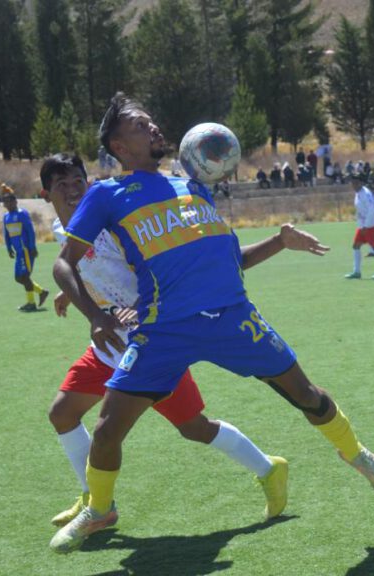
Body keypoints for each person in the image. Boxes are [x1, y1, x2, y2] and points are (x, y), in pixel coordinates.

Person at [50, 94, 374, 554]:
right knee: (109, 425)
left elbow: (230, 260)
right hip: (165, 327)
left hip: (234, 317)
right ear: (118, 144)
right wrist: (95, 316)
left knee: (307, 395)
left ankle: (355, 453)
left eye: (153, 122)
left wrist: (279, 240)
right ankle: (99, 509)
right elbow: (63, 264)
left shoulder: (193, 189)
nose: (154, 128)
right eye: (141, 126)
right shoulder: (107, 196)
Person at [39, 153, 288, 530]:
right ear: (46, 194)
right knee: (62, 413)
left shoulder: (108, 224)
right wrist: (75, 295)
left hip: (153, 345)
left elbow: (156, 268)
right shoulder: (69, 235)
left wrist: (139, 307)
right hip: (109, 347)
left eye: (78, 181)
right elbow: (80, 266)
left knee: (195, 428)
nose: (73, 190)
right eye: (63, 185)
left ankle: (268, 468)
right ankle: (95, 500)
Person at [2, 190, 49, 311]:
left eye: (10, 201)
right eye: (5, 202)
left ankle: (31, 303)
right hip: (18, 252)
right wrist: (8, 248)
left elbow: (30, 231)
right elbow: (6, 234)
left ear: (15, 201)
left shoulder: (22, 214)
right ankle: (41, 292)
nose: (8, 204)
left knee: (24, 276)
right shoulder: (6, 217)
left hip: (26, 251)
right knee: (18, 278)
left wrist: (32, 247)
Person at [345, 176, 374, 280]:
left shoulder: (366, 193)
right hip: (362, 225)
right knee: (356, 246)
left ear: (360, 182)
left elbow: (372, 210)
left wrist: (366, 225)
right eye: (352, 183)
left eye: (355, 183)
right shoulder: (358, 193)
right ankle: (356, 272)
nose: (353, 185)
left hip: (369, 225)